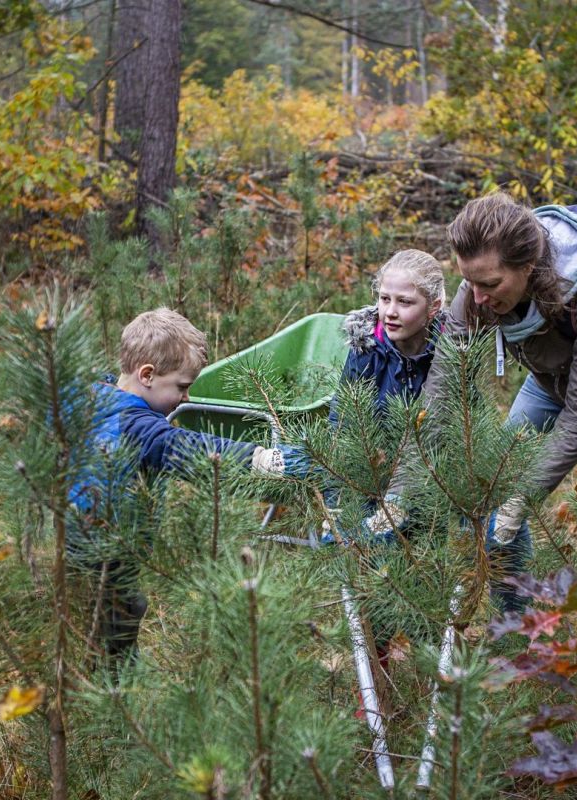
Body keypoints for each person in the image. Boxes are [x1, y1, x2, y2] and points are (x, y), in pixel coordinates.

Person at [365, 193, 577, 611]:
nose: (475, 297)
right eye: (468, 282)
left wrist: (522, 497)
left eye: (490, 285)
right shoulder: (477, 289)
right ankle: (515, 628)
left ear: (528, 266)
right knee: (493, 486)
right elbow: (442, 386)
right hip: (552, 382)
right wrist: (401, 489)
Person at [69, 308, 305, 661]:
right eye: (181, 386)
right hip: (107, 548)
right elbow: (182, 449)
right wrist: (266, 460)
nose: (187, 398)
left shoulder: (94, 396)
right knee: (114, 621)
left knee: (105, 615)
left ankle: (102, 670)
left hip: (77, 536)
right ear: (147, 374)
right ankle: (111, 687)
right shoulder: (135, 424)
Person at [324, 249, 446, 542]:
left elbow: (449, 433)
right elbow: (343, 422)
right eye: (384, 298)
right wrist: (338, 500)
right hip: (371, 466)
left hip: (426, 473)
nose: (390, 311)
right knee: (352, 541)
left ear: (434, 306)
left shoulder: (449, 353)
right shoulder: (366, 347)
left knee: (409, 553)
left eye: (404, 302)